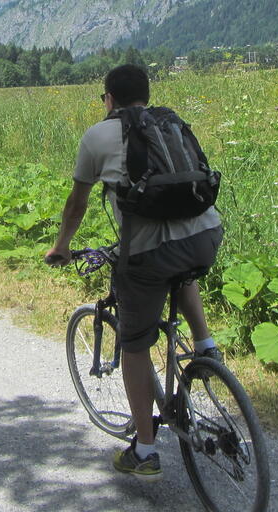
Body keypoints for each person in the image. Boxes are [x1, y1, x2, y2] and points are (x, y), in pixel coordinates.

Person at [45, 64, 223, 480]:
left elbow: (77, 205)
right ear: (146, 93)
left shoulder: (98, 136)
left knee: (136, 342)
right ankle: (206, 345)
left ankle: (144, 449)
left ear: (108, 98)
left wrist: (61, 247)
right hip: (207, 236)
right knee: (182, 269)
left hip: (148, 255)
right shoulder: (171, 122)